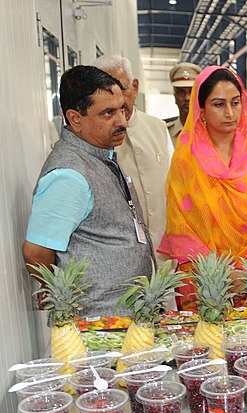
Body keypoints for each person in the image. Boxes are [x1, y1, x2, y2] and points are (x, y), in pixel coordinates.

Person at [22, 65, 153, 316]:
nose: (122, 121)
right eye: (108, 113)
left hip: (127, 321)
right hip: (97, 327)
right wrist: (60, 294)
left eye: (122, 109)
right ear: (75, 119)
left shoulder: (102, 155)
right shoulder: (68, 175)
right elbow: (36, 251)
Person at [158, 67, 247, 309]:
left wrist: (244, 270)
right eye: (218, 104)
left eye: (236, 103)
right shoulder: (186, 161)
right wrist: (217, 273)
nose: (230, 113)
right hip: (202, 281)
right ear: (201, 109)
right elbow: (182, 227)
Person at [93, 55, 172, 266]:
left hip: (166, 264)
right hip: (122, 270)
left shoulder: (159, 129)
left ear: (135, 87)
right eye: (108, 93)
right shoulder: (94, 140)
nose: (117, 100)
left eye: (123, 89)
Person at [166, 62, 202, 146]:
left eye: (192, 92)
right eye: (181, 92)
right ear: (175, 97)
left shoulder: (212, 132)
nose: (187, 98)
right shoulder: (165, 134)